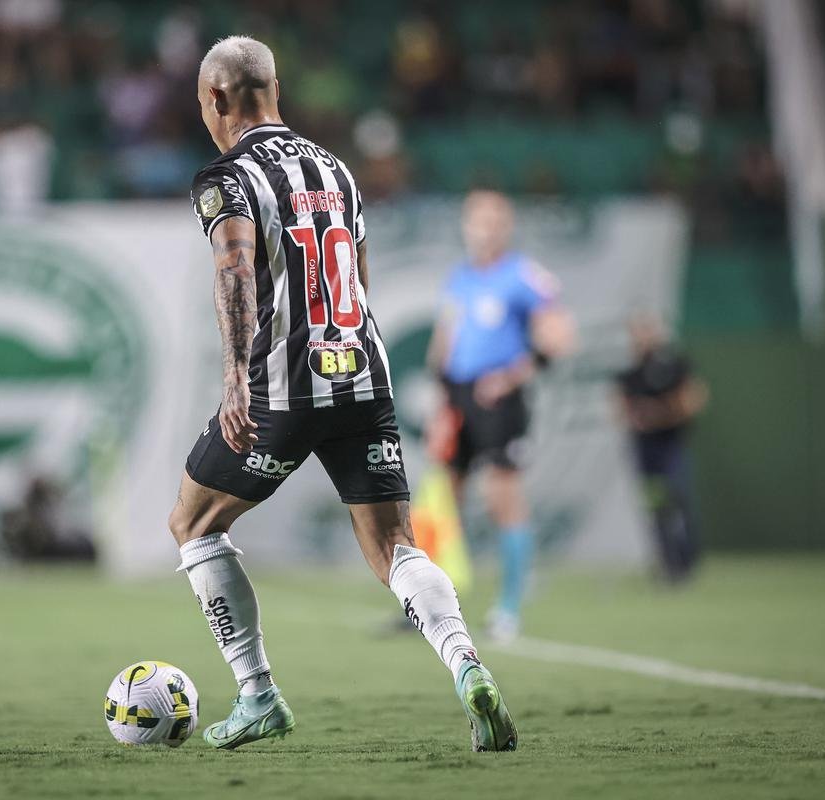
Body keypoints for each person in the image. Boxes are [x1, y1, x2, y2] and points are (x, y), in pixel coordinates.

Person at [167, 36, 517, 752]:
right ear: (274, 88)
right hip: (363, 371)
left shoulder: (225, 177)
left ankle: (258, 695)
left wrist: (237, 376)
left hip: (281, 386)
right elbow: (356, 277)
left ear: (216, 99)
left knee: (194, 524)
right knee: (394, 544)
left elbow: (235, 269)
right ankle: (468, 667)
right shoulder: (336, 168)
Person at [426, 189, 575, 643]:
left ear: (506, 226)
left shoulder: (523, 276)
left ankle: (509, 607)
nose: (483, 228)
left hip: (500, 398)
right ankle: (428, 608)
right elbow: (444, 343)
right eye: (476, 220)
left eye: (493, 220)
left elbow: (560, 337)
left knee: (502, 498)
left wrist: (510, 379)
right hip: (458, 396)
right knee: (440, 497)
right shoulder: (460, 278)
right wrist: (440, 403)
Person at [616, 313, 708, 583]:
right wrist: (638, 416)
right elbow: (621, 409)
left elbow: (693, 399)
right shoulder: (630, 374)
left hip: (670, 445)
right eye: (637, 332)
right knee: (657, 507)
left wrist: (661, 413)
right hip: (645, 451)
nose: (641, 337)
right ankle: (667, 564)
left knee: (679, 499)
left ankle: (687, 560)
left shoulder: (674, 366)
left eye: (646, 331)